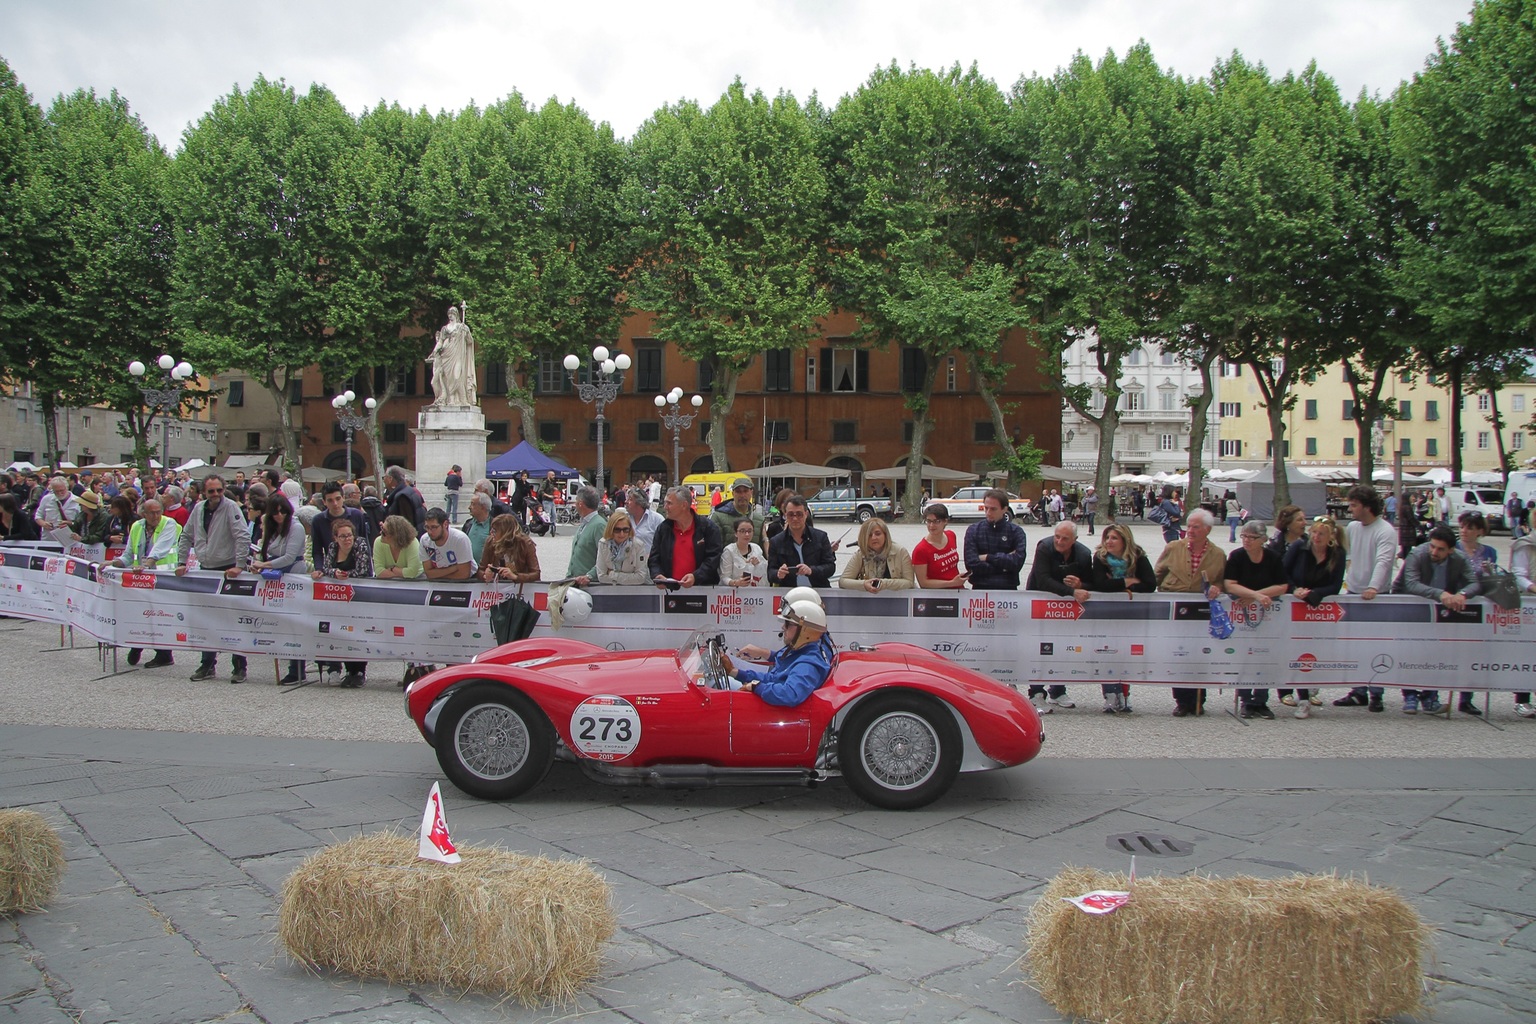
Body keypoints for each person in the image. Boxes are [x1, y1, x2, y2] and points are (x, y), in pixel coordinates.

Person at [1393, 526, 1485, 715]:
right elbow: (1411, 584)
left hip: (1439, 609)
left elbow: (1475, 583)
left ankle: (1430, 697)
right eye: (1432, 547)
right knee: (1409, 652)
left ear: (1451, 550)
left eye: (1440, 549)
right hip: (1411, 606)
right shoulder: (1417, 554)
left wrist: (1462, 594)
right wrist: (1441, 594)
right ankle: (1409, 695)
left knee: (1435, 652)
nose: (1434, 552)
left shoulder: (1459, 558)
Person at [176, 475, 251, 683]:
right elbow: (186, 535)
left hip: (228, 569)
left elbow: (242, 536)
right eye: (211, 491)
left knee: (234, 619)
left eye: (219, 490)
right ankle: (207, 664)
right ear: (204, 493)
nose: (216, 494)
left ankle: (239, 667)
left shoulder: (231, 508)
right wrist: (181, 561)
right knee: (206, 619)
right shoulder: (198, 509)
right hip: (206, 569)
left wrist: (239, 565)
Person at [1155, 507, 1226, 716]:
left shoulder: (1218, 554)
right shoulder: (1173, 547)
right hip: (1175, 608)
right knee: (1178, 654)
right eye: (1189, 526)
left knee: (1198, 654)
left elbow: (1223, 580)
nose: (1191, 530)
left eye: (1196, 527)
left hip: (1201, 610)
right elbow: (1158, 573)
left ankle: (1198, 700)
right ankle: (1181, 700)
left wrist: (1218, 587)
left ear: (1207, 530)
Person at [1336, 485, 1398, 712]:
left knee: (1376, 646)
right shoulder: (1353, 527)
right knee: (1355, 646)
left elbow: (1384, 561)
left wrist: (1374, 586)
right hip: (1354, 592)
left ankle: (1376, 692)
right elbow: (1348, 555)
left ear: (1366, 506)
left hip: (1376, 596)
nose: (1350, 509)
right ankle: (1358, 690)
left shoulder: (1386, 530)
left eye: (1354, 505)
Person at [1021, 520, 1092, 713]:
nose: (1059, 541)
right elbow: (1042, 579)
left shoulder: (1084, 554)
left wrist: (1080, 583)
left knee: (1063, 647)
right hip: (1040, 601)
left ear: (1075, 540)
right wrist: (1071, 591)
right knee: (1039, 647)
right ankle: (1036, 692)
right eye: (1057, 537)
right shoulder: (1044, 547)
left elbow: (1092, 582)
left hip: (1066, 608)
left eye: (1065, 538)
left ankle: (1058, 690)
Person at [1280, 516, 1346, 717]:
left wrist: (1314, 595)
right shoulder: (1299, 547)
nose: (1316, 537)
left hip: (1319, 607)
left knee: (1319, 649)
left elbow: (1335, 584)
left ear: (1330, 537)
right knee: (1299, 649)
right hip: (1295, 606)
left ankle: (1312, 688)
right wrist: (1294, 589)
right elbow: (1282, 572)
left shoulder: (1338, 554)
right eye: (1314, 532)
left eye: (1321, 534)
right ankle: (1303, 696)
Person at [1224, 520, 1291, 719]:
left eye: (1251, 538)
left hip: (1267, 612)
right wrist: (1255, 596)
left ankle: (1261, 699)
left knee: (1266, 655)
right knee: (1244, 655)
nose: (1246, 541)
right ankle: (1245, 698)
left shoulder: (1272, 557)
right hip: (1242, 613)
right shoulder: (1236, 556)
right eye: (1244, 536)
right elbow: (1230, 584)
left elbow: (1282, 586)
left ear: (1262, 539)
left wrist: (1257, 595)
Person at [1088, 523, 1156, 713]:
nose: (1109, 542)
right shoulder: (1100, 558)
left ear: (1124, 540)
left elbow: (1150, 584)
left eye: (1114, 538)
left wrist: (1119, 585)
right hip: (1106, 612)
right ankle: (1110, 693)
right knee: (1107, 651)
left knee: (1127, 653)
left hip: (1131, 614)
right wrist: (1127, 581)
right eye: (1107, 537)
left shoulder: (1138, 558)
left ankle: (1124, 693)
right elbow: (1100, 584)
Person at [722, 601, 834, 706]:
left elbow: (789, 694)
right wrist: (735, 672)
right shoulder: (802, 652)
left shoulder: (807, 664)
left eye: (788, 623)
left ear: (805, 631)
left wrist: (756, 687)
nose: (783, 627)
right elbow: (775, 677)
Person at [111, 498, 180, 668]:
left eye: (158, 511)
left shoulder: (169, 524)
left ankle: (163, 653)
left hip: (163, 578)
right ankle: (137, 644)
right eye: (151, 512)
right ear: (144, 513)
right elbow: (129, 554)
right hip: (141, 579)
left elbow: (161, 548)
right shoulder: (137, 526)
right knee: (139, 613)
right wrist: (113, 564)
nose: (155, 516)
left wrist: (147, 564)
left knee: (159, 616)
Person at [251, 494, 310, 685]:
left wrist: (264, 564)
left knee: (296, 623)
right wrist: (260, 565)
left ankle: (297, 667)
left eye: (282, 512)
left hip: (294, 574)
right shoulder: (271, 528)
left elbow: (289, 557)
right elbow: (265, 550)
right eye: (275, 513)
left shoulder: (296, 527)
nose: (279, 516)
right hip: (275, 576)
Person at [310, 518, 373, 687]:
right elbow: (327, 567)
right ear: (335, 538)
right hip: (338, 598)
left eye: (349, 535)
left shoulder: (360, 545)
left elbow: (362, 570)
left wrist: (342, 575)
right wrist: (334, 573)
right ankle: (348, 670)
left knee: (358, 633)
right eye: (343, 536)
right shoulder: (332, 548)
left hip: (358, 596)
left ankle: (359, 671)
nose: (347, 539)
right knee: (342, 633)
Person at [1453, 511, 1497, 716]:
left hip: (1478, 605)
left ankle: (1466, 697)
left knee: (1473, 651)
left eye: (1469, 527)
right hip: (1456, 602)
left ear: (1479, 531)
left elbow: (1491, 579)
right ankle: (1431, 695)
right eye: (1462, 526)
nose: (1464, 531)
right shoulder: (1454, 549)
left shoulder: (1488, 552)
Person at [649, 485, 724, 589]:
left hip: (703, 590)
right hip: (669, 591)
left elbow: (714, 558)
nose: (665, 507)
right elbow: (654, 558)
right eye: (665, 502)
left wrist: (696, 577)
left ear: (684, 505)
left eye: (669, 503)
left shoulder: (708, 528)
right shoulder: (663, 529)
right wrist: (657, 575)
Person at [965, 489, 1029, 591]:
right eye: (986, 508)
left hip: (1008, 590)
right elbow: (971, 564)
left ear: (1004, 509)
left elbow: (1017, 563)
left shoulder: (1016, 532)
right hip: (980, 589)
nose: (988, 513)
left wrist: (987, 557)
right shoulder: (973, 530)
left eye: (993, 509)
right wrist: (1004, 567)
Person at [767, 495, 836, 589]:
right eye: (791, 514)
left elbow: (830, 567)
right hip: (790, 592)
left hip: (818, 590)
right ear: (785, 514)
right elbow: (770, 572)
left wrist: (811, 570)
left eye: (799, 514)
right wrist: (778, 574)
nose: (795, 518)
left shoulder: (821, 537)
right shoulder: (776, 541)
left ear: (806, 514)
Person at [838, 518, 915, 592]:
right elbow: (843, 581)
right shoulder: (860, 554)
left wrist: (882, 583)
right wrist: (864, 584)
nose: (874, 538)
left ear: (885, 535)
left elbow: (909, 582)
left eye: (878, 534)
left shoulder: (900, 552)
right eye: (869, 535)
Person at [427, 304, 476, 407]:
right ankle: (451, 399)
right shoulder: (445, 329)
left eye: (452, 313)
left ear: (456, 315)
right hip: (446, 354)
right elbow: (440, 341)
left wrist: (466, 332)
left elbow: (470, 341)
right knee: (447, 378)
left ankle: (462, 399)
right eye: (449, 314)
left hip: (457, 355)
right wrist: (434, 352)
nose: (450, 315)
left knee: (457, 375)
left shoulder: (462, 327)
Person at [912, 504, 969, 589]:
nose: (931, 525)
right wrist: (951, 583)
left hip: (958, 590)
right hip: (938, 595)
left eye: (936, 521)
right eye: (928, 521)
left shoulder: (951, 535)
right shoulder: (921, 550)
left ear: (945, 521)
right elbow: (923, 583)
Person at [477, 514, 541, 584]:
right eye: (491, 529)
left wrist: (515, 576)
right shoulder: (490, 541)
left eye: (495, 531)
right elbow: (481, 570)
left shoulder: (525, 543)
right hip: (498, 588)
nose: (491, 533)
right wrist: (485, 575)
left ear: (506, 533)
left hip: (522, 589)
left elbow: (536, 574)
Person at [590, 510, 647, 585]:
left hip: (633, 591)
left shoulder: (638, 545)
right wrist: (629, 577)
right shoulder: (603, 544)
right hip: (610, 591)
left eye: (625, 530)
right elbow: (601, 577)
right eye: (617, 530)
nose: (622, 534)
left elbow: (640, 578)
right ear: (611, 529)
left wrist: (612, 574)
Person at [419, 507, 476, 581]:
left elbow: (464, 574)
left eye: (434, 527)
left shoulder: (460, 539)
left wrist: (437, 575)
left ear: (445, 524)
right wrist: (454, 568)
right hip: (440, 583)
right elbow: (429, 573)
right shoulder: (424, 540)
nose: (429, 532)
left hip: (468, 582)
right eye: (427, 527)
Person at [712, 477, 765, 548]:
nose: (742, 495)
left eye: (745, 491)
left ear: (751, 492)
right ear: (733, 493)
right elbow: (714, 548)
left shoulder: (759, 520)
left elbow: (761, 551)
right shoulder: (718, 517)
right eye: (738, 491)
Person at [565, 486, 605, 579]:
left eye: (576, 501)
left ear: (580, 504)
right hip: (575, 580)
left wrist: (589, 576)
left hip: (589, 583)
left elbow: (605, 558)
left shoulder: (599, 525)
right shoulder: (585, 522)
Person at [373, 514, 424, 580]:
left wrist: (392, 569)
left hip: (416, 581)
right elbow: (378, 572)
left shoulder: (412, 543)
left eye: (384, 532)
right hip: (389, 583)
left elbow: (412, 572)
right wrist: (401, 574)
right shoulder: (378, 542)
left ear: (396, 535)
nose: (380, 533)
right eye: (382, 529)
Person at [720, 518, 766, 587]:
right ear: (736, 533)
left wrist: (758, 565)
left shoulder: (757, 548)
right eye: (742, 531)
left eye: (749, 531)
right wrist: (736, 582)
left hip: (754, 592)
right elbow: (724, 577)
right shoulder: (729, 551)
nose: (747, 534)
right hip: (733, 593)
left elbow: (764, 572)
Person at [384, 466, 426, 533]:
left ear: (390, 479)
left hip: (408, 539)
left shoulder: (402, 497)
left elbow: (406, 525)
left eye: (384, 477)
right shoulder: (410, 491)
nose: (384, 480)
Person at [462, 492, 493, 563]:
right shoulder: (468, 524)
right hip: (468, 569)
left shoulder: (494, 526)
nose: (469, 507)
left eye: (473, 504)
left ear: (483, 507)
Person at [538, 471, 559, 536]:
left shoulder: (551, 483)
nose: (554, 477)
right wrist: (548, 495)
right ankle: (544, 528)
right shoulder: (545, 482)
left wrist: (554, 490)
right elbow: (540, 491)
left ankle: (552, 528)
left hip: (551, 501)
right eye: (552, 475)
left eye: (554, 475)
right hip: (546, 501)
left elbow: (551, 489)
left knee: (554, 514)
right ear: (549, 475)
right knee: (548, 515)